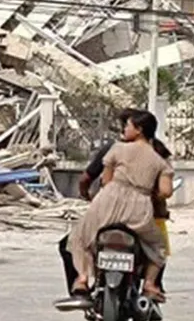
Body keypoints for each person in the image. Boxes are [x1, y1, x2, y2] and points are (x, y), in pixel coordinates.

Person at [58, 111, 171, 298]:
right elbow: (166, 192)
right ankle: (150, 285)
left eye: (127, 125)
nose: (124, 129)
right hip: (140, 207)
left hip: (108, 201)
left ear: (139, 130)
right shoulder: (160, 159)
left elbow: (106, 181)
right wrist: (149, 192)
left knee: (79, 239)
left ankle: (82, 279)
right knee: (157, 247)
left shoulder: (117, 149)